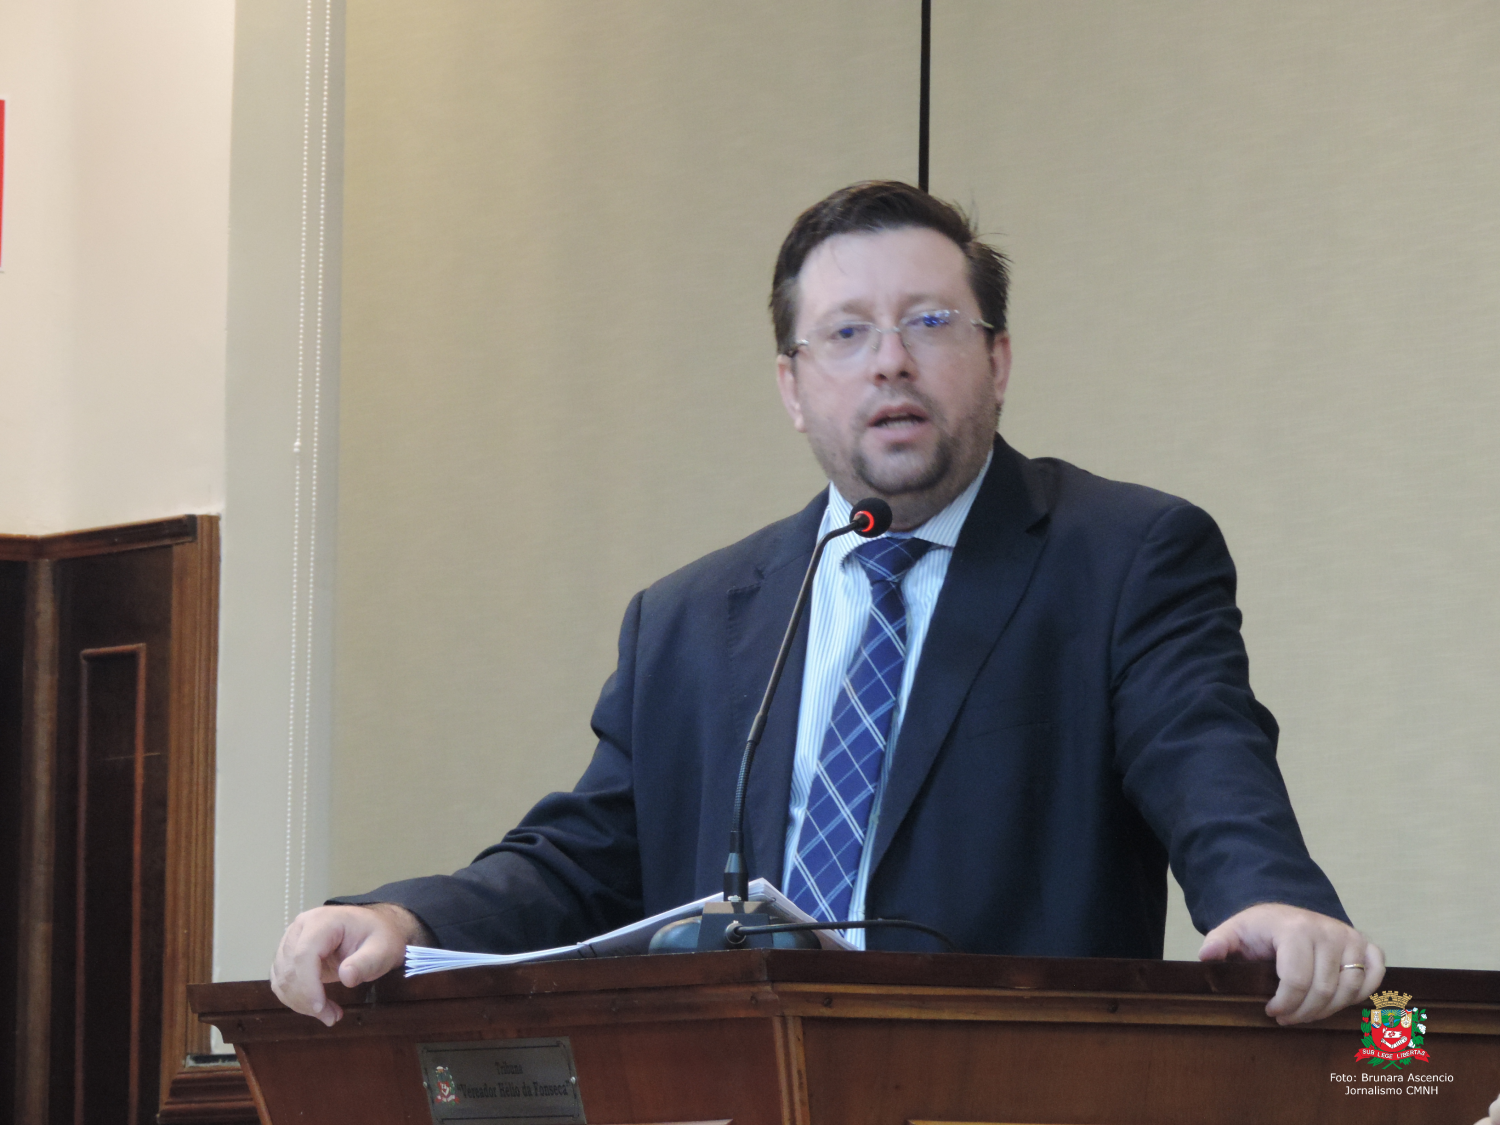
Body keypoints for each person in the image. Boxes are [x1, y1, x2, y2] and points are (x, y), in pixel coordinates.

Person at [273, 181, 1384, 1029]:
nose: (890, 362)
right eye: (846, 333)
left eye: (931, 323)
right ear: (794, 388)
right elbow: (585, 859)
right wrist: (403, 920)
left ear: (998, 361)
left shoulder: (1122, 556)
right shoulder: (691, 618)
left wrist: (1273, 900)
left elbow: (1202, 755)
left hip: (1002, 1080)